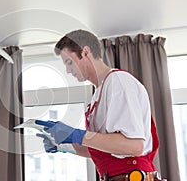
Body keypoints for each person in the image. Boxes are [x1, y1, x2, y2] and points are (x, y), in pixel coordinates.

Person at [36, 30, 166, 181]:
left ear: (85, 52)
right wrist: (63, 145)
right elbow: (103, 149)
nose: (68, 70)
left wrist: (77, 135)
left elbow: (134, 146)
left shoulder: (118, 81)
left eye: (69, 62)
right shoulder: (98, 94)